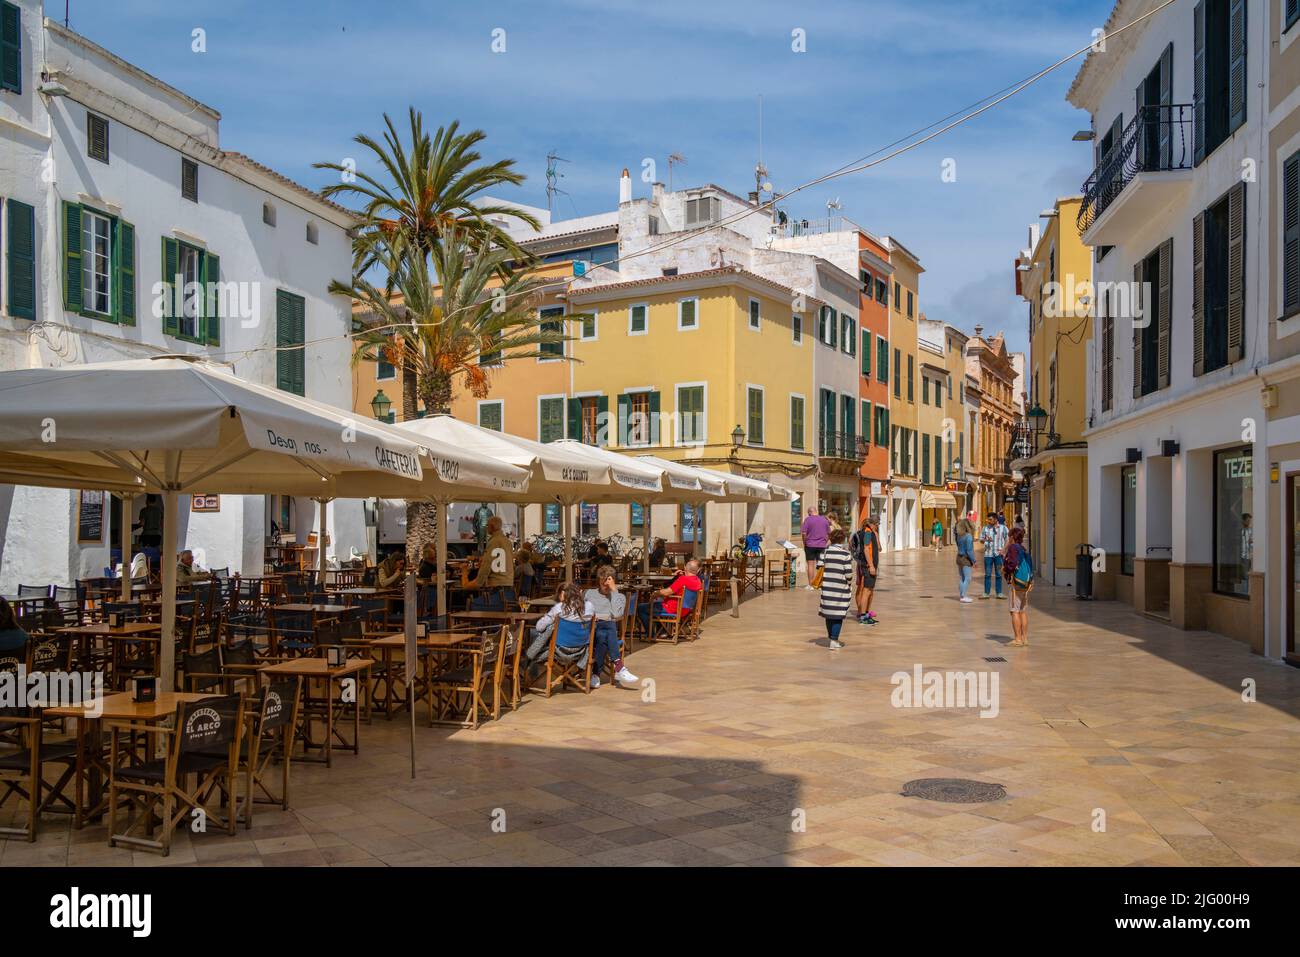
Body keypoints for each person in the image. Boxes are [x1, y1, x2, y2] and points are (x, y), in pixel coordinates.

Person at [524, 582, 595, 683]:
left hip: (559, 652)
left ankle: (529, 664)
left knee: (533, 632)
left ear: (562, 593)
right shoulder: (589, 606)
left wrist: (548, 616)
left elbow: (539, 627)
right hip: (581, 651)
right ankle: (530, 665)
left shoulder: (559, 608)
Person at [584, 566, 639, 688]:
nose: (605, 584)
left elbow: (617, 614)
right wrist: (593, 617)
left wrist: (614, 591)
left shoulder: (619, 597)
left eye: (607, 581)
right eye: (602, 580)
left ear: (613, 581)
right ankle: (619, 667)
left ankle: (595, 675)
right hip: (590, 628)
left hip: (604, 630)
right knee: (608, 626)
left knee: (605, 631)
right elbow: (581, 612)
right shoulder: (589, 593)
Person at [637, 557, 703, 636]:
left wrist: (655, 593)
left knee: (640, 608)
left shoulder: (683, 579)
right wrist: (677, 577)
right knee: (657, 602)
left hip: (672, 608)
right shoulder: (698, 581)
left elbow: (666, 592)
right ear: (697, 570)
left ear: (685, 567)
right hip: (685, 609)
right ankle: (662, 631)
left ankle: (651, 635)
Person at [462, 515, 516, 610]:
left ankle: (478, 624)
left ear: (491, 527)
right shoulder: (507, 541)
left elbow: (486, 566)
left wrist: (477, 582)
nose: (486, 528)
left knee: (471, 605)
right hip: (509, 590)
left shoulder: (493, 541)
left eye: (487, 526)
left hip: (497, 591)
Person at [818, 529, 854, 649]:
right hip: (840, 588)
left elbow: (819, 567)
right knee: (838, 615)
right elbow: (848, 573)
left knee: (829, 614)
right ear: (842, 539)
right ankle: (834, 640)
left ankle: (831, 637)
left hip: (827, 587)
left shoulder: (825, 552)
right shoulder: (845, 554)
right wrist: (849, 583)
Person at [1003, 526, 1033, 646]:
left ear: (1012, 537)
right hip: (1025, 583)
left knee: (1014, 611)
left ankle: (1017, 639)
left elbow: (1012, 563)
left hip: (1016, 583)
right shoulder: (1023, 549)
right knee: (1022, 611)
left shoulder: (1013, 548)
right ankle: (1025, 638)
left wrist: (1006, 568)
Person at [849, 514, 881, 625]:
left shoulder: (869, 532)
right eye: (877, 525)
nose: (878, 527)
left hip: (869, 565)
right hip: (868, 566)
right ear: (874, 524)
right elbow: (867, 550)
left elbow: (878, 548)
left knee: (869, 590)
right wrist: (871, 565)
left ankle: (866, 614)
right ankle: (863, 616)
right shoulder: (867, 533)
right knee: (866, 591)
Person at [800, 507, 830, 591]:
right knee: (821, 565)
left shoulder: (808, 520)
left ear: (809, 512)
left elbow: (804, 533)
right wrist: (825, 542)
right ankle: (820, 584)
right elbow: (828, 534)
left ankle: (811, 584)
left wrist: (804, 542)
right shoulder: (824, 520)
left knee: (810, 565)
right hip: (822, 545)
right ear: (816, 511)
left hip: (810, 545)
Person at [981, 514, 1006, 599]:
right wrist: (985, 539)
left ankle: (999, 593)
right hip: (988, 555)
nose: (989, 521)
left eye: (990, 519)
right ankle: (986, 593)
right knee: (987, 574)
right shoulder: (985, 528)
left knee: (999, 574)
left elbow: (1009, 539)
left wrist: (1004, 550)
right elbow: (981, 540)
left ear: (995, 519)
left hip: (998, 555)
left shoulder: (1003, 528)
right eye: (988, 519)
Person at [954, 511, 977, 603]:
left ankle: (961, 595)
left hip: (958, 557)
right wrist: (974, 561)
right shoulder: (968, 537)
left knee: (962, 578)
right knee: (967, 578)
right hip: (965, 559)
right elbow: (970, 550)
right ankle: (963, 596)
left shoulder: (959, 536)